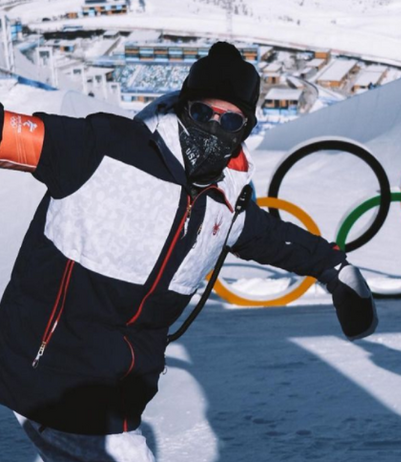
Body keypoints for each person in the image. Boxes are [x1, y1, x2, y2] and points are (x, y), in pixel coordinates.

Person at [0, 41, 377, 461]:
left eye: (230, 120)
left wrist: (334, 268)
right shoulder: (102, 147)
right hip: (50, 378)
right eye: (202, 113)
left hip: (119, 395)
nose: (214, 128)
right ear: (182, 107)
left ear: (245, 130)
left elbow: (272, 237)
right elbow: (13, 137)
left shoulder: (223, 203)